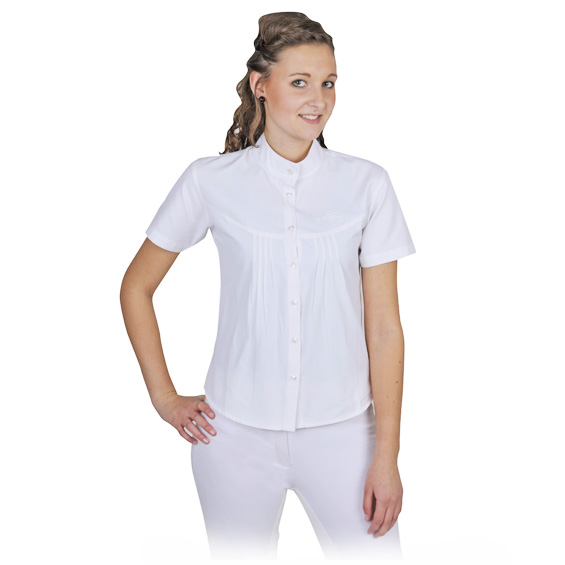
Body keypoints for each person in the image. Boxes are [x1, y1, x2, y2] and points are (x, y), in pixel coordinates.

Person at [120, 11, 415, 560]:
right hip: (232, 437)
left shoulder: (367, 185)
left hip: (345, 435)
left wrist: (387, 455)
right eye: (300, 82)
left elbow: (384, 329)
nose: (318, 100)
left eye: (328, 83)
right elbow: (136, 287)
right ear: (261, 85)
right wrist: (165, 398)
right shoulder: (210, 181)